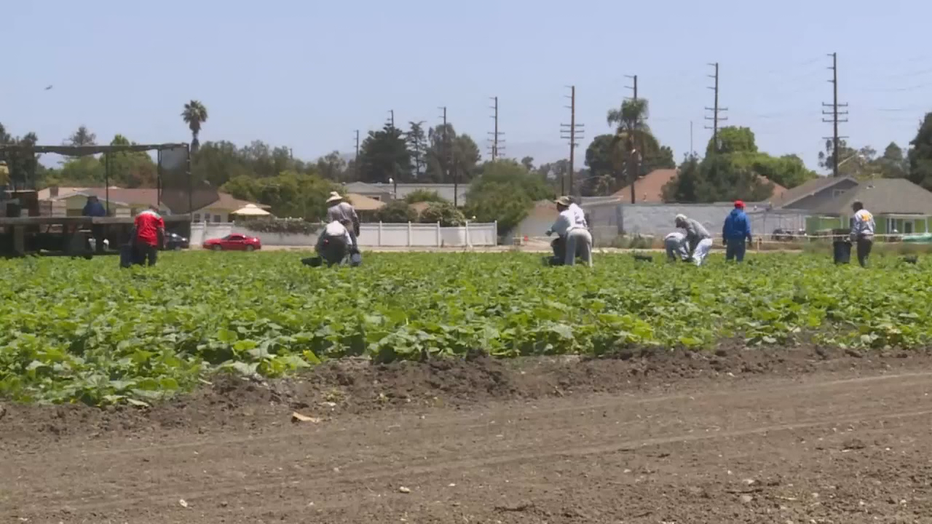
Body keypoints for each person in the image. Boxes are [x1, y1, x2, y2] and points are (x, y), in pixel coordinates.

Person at [546, 196, 593, 267]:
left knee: (570, 258)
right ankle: (588, 269)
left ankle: (569, 268)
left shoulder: (565, 213)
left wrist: (550, 230)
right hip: (586, 232)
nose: (557, 207)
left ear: (563, 205)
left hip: (573, 233)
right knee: (587, 260)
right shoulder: (578, 209)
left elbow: (558, 226)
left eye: (558, 205)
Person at [326, 192, 360, 257]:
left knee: (342, 246)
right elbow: (355, 218)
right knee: (353, 245)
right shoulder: (348, 206)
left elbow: (330, 223)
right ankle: (355, 259)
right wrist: (357, 228)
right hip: (349, 226)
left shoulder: (331, 210)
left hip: (339, 228)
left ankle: (341, 259)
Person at [850, 200, 875, 268]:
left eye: (854, 207)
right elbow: (873, 225)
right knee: (866, 256)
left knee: (861, 257)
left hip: (863, 237)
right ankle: (867, 269)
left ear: (857, 206)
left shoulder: (857, 214)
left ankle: (865, 270)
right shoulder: (869, 214)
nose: (853, 209)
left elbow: (856, 226)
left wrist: (852, 237)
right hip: (870, 237)